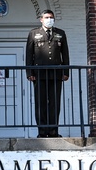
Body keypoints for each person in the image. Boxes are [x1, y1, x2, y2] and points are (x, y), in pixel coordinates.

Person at [25, 10, 70, 138]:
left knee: (55, 103)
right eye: (46, 17)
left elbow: (65, 54)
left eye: (51, 17)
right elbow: (29, 54)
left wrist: (65, 71)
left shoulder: (60, 33)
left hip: (56, 73)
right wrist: (29, 72)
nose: (49, 19)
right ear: (41, 19)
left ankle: (53, 130)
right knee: (41, 103)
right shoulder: (34, 33)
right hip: (39, 73)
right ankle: (42, 131)